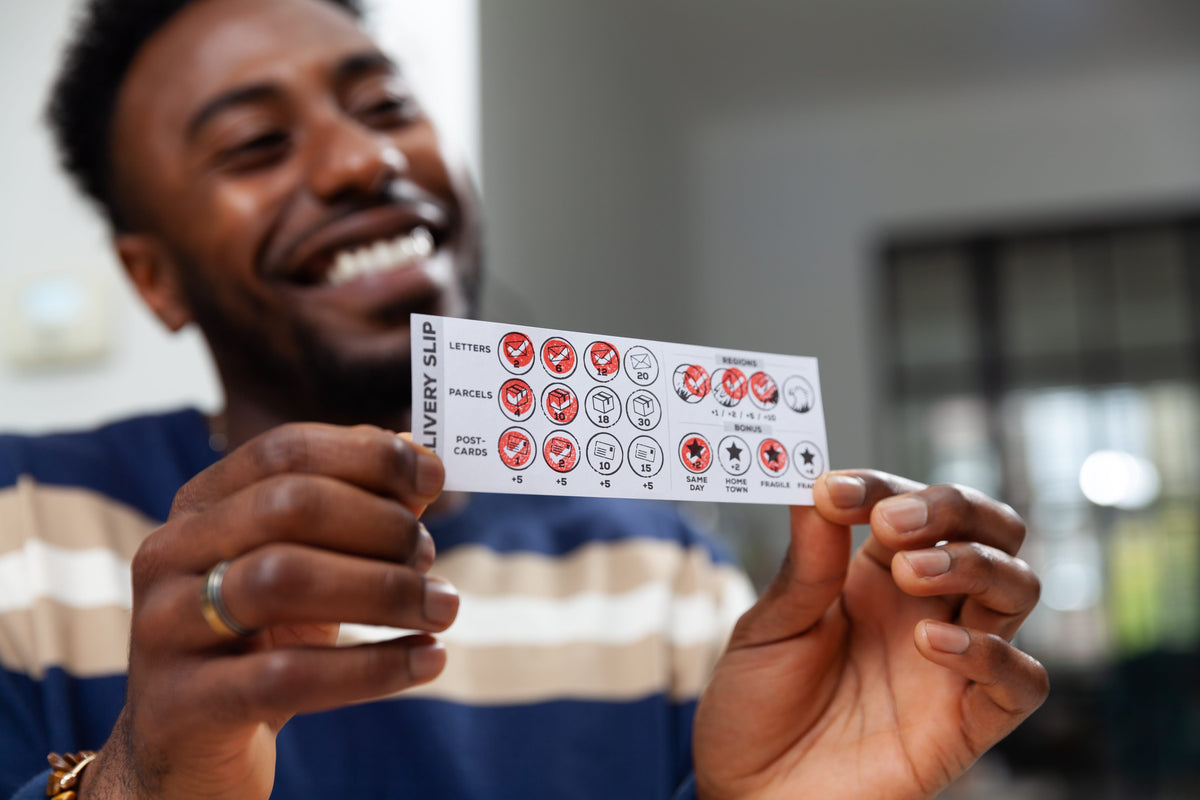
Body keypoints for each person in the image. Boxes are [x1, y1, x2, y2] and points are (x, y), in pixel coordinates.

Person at [0, 0, 1049, 797]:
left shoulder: (662, 568)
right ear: (155, 278)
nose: (363, 160)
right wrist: (132, 777)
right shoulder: (21, 523)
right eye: (254, 147)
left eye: (384, 107)